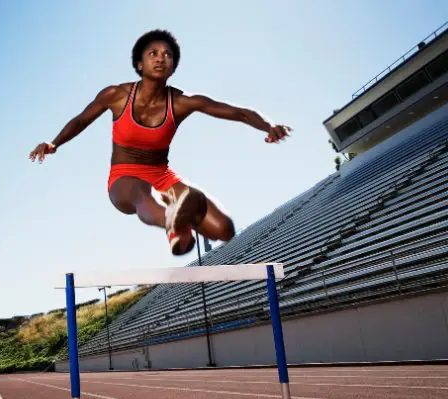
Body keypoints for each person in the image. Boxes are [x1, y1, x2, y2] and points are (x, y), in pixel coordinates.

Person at [28, 29, 291, 256]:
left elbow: (238, 112)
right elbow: (82, 120)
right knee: (143, 191)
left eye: (167, 55)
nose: (160, 58)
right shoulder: (117, 95)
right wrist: (54, 144)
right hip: (124, 179)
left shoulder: (182, 102)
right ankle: (172, 223)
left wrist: (268, 126)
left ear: (174, 67)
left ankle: (183, 218)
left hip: (163, 175)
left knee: (224, 229)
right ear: (139, 64)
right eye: (152, 53)